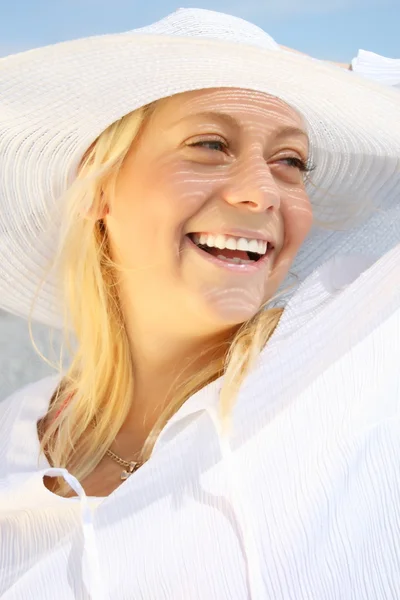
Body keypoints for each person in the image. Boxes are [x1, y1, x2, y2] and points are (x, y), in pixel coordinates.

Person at [0, 7, 399, 600]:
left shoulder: (351, 355)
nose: (262, 192)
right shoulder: (12, 436)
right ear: (99, 185)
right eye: (210, 144)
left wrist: (336, 78)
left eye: (290, 161)